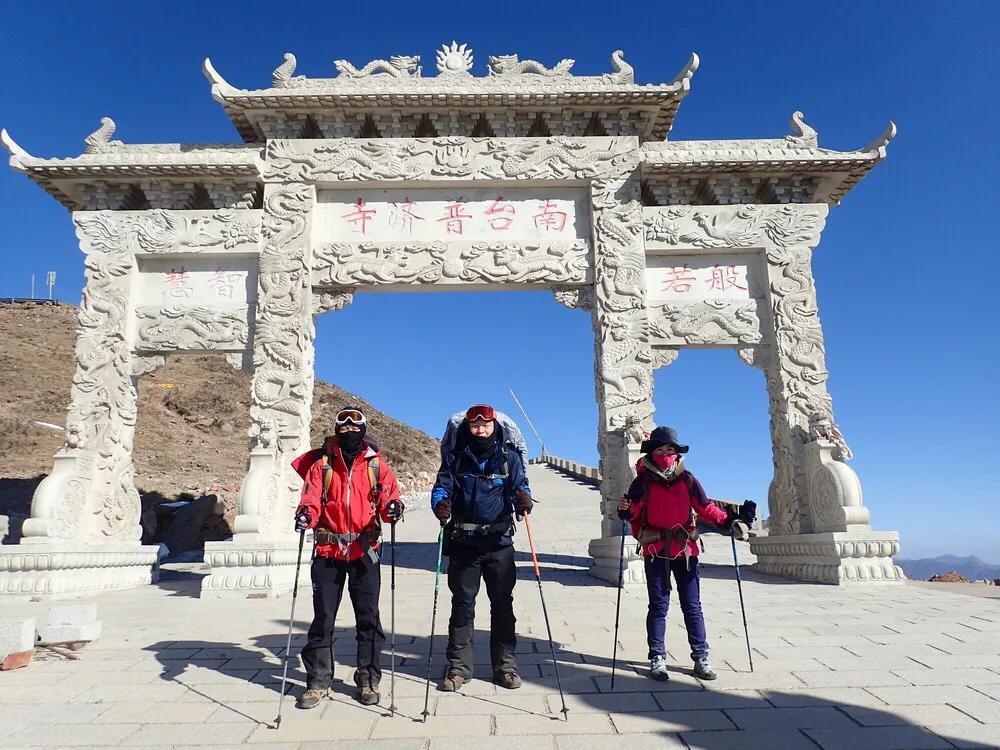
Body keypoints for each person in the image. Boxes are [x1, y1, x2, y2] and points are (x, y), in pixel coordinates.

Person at [616, 426, 755, 682]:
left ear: (676, 452)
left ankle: (701, 656)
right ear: (652, 452)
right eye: (660, 449)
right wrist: (625, 510)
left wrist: (730, 521)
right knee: (659, 605)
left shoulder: (688, 479)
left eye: (669, 449)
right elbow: (633, 510)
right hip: (656, 549)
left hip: (685, 550)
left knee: (692, 606)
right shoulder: (642, 481)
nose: (665, 453)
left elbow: (705, 508)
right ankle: (657, 657)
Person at [290, 407, 404, 709]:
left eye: (355, 424)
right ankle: (317, 681)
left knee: (368, 619)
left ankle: (368, 679)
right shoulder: (323, 466)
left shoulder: (376, 465)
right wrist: (305, 514)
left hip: (364, 552)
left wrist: (394, 508)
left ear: (364, 429)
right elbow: (311, 498)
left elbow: (389, 497)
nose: (349, 428)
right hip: (328, 551)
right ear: (336, 429)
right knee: (323, 618)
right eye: (343, 423)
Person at [431, 403, 534, 692]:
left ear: (494, 426)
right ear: (468, 427)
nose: (480, 429)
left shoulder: (508, 457)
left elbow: (519, 485)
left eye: (485, 425)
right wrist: (440, 503)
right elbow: (442, 487)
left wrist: (524, 499)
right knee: (462, 605)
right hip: (464, 542)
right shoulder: (454, 458)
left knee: (502, 604)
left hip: (499, 543)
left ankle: (505, 667)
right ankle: (458, 668)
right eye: (475, 425)